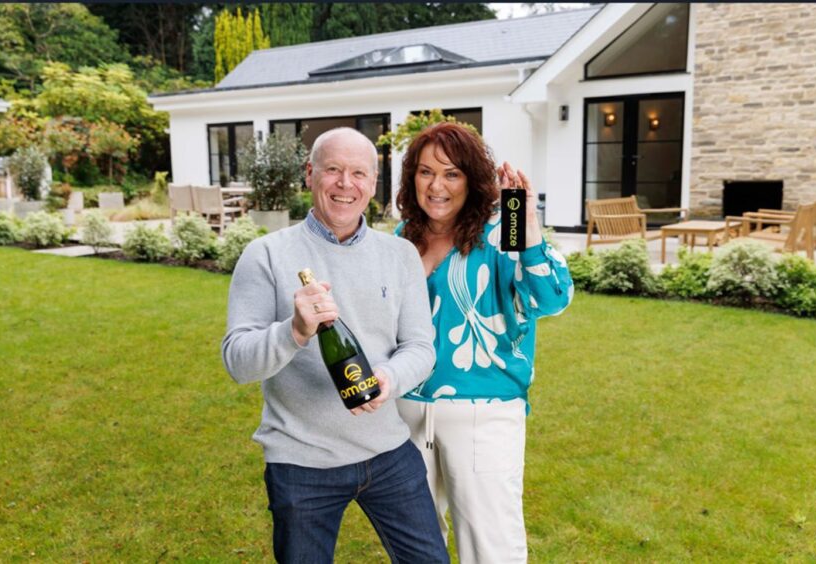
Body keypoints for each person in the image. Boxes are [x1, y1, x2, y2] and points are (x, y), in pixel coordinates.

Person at [221, 127, 449, 564]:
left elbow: (421, 346)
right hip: (302, 462)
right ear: (310, 175)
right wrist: (295, 331)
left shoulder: (400, 254)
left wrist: (390, 377)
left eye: (359, 173)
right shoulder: (265, 254)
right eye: (333, 170)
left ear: (373, 183)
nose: (346, 184)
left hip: (388, 453)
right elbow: (238, 362)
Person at [394, 122, 574, 564]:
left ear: (473, 179)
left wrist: (524, 217)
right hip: (406, 414)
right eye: (424, 172)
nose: (436, 185)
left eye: (451, 173)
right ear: (410, 178)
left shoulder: (502, 227)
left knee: (490, 548)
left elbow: (548, 297)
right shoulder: (403, 237)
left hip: (483, 416)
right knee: (417, 547)